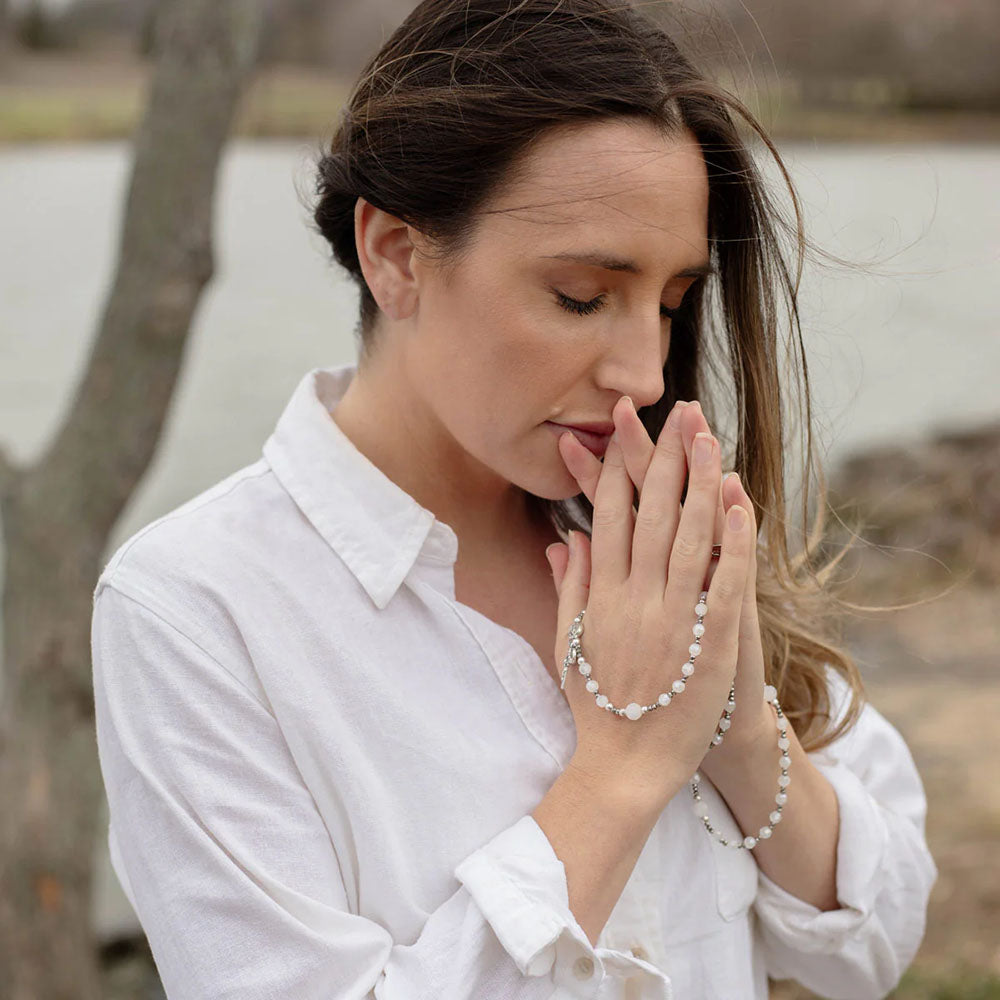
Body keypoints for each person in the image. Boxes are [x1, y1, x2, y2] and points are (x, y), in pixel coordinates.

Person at [90, 1, 937, 997]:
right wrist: (621, 769)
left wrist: (739, 734)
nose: (642, 373)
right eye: (581, 296)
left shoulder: (664, 533)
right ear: (394, 254)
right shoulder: (196, 612)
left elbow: (875, 938)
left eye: (671, 304)